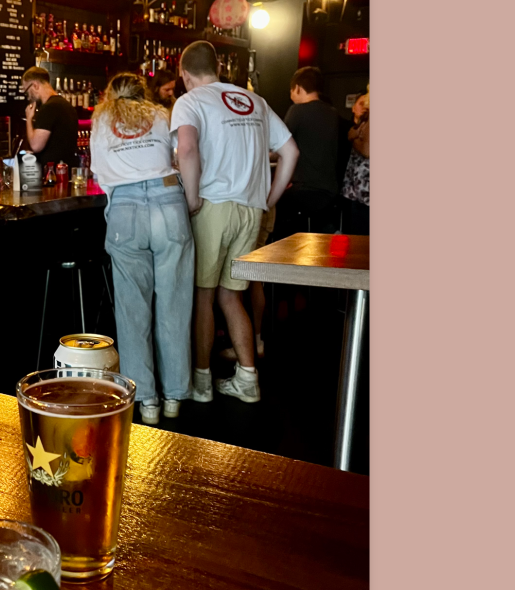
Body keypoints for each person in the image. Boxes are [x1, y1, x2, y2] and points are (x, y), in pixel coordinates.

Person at [170, 40, 298, 404]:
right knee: (232, 297)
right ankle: (247, 379)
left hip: (213, 206)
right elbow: (291, 151)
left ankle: (202, 382)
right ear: (217, 68)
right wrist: (269, 200)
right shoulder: (254, 101)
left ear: (184, 74)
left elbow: (187, 149)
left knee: (204, 297)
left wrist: (192, 196)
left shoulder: (190, 101)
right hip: (250, 210)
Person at [91, 72, 192, 423]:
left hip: (125, 209)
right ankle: (176, 396)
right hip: (169, 201)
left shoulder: (100, 118)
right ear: (142, 93)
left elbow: (99, 174)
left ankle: (146, 401)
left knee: (133, 313)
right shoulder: (163, 114)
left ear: (109, 95)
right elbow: (179, 155)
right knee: (174, 303)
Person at [274, 65, 343, 238]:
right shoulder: (333, 113)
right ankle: (327, 229)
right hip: (329, 191)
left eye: (291, 91)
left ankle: (279, 252)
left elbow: (282, 146)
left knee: (271, 205)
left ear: (297, 88)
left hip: (304, 190)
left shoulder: (298, 110)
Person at [20, 66, 78, 171]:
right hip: (66, 172)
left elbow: (35, 145)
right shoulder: (66, 105)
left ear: (35, 85)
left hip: (52, 176)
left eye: (27, 92)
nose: (28, 97)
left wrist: (29, 118)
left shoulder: (49, 108)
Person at [340, 87, 369, 235]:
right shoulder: (348, 126)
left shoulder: (365, 126)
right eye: (361, 103)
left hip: (364, 191)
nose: (364, 106)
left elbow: (367, 151)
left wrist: (353, 137)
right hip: (351, 189)